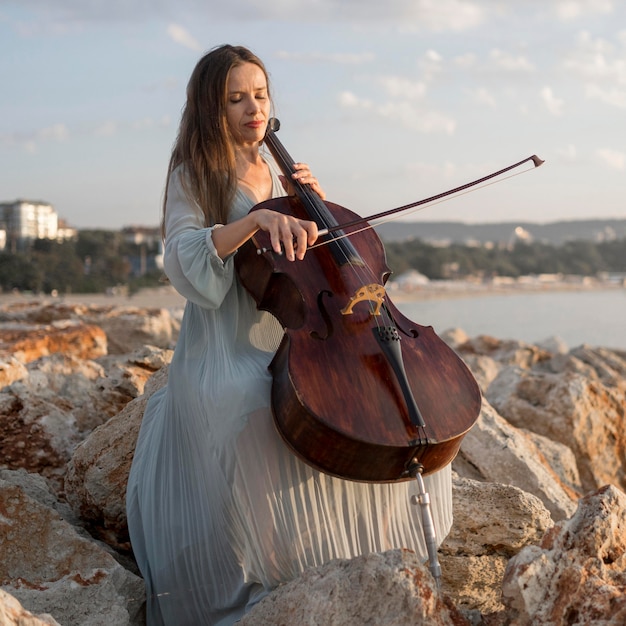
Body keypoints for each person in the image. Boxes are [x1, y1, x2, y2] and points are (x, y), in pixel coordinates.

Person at [125, 44, 453, 625]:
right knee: (248, 404)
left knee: (396, 404)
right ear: (210, 107)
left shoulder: (279, 170)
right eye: (236, 98)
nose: (253, 108)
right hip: (227, 339)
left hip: (294, 330)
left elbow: (313, 267)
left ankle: (364, 556)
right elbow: (180, 258)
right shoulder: (193, 172)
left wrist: (313, 205)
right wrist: (252, 220)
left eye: (260, 93)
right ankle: (274, 571)